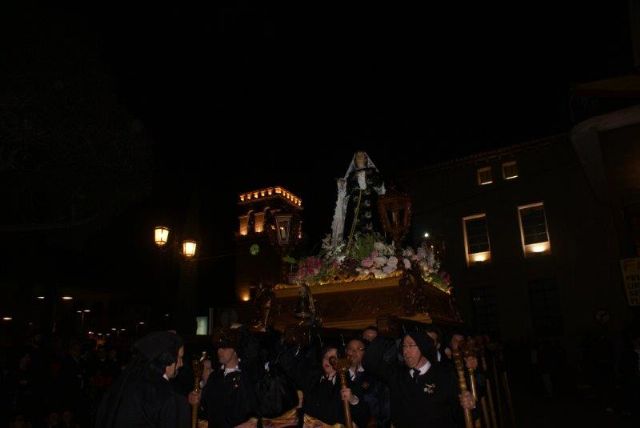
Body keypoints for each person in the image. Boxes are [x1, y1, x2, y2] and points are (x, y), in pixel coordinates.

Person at [363, 331, 475, 428]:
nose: (406, 351)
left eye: (411, 345)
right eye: (404, 346)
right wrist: (384, 335)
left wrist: (469, 404)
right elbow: (369, 362)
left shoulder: (444, 376)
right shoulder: (397, 375)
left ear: (423, 347)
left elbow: (461, 416)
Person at [95, 331, 194, 428]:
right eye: (179, 358)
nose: (181, 364)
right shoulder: (165, 396)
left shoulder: (126, 382)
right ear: (167, 358)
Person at [200, 327, 260, 428]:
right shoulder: (215, 376)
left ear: (235, 350)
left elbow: (251, 412)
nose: (220, 351)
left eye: (224, 348)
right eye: (218, 347)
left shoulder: (244, 378)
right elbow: (205, 406)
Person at [331, 151, 386, 246]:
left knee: (373, 228)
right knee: (355, 231)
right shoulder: (351, 175)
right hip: (355, 208)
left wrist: (365, 179)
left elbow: (380, 187)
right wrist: (342, 185)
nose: (359, 158)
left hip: (370, 205)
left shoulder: (372, 171)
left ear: (366, 158)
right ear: (355, 160)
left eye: (361, 156)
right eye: (357, 157)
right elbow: (346, 192)